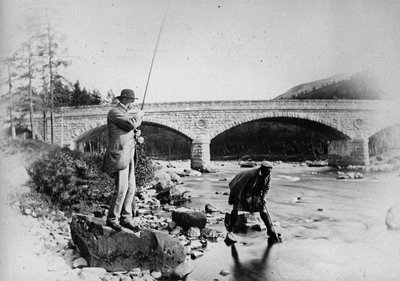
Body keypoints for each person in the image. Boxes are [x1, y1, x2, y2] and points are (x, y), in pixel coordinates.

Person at [102, 89, 144, 231]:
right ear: (124, 99)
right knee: (121, 188)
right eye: (131, 100)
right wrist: (138, 117)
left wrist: (136, 135)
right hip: (120, 155)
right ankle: (112, 219)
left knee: (131, 188)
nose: (132, 103)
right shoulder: (115, 112)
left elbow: (128, 130)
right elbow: (129, 124)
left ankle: (126, 218)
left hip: (129, 154)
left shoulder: (125, 113)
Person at [226, 161, 281, 243]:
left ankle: (270, 230)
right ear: (262, 169)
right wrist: (235, 197)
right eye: (267, 171)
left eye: (269, 171)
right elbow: (237, 186)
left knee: (262, 209)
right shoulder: (251, 174)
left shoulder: (268, 175)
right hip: (242, 190)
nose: (268, 173)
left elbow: (266, 188)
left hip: (255, 192)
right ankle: (231, 229)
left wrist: (264, 197)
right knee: (236, 208)